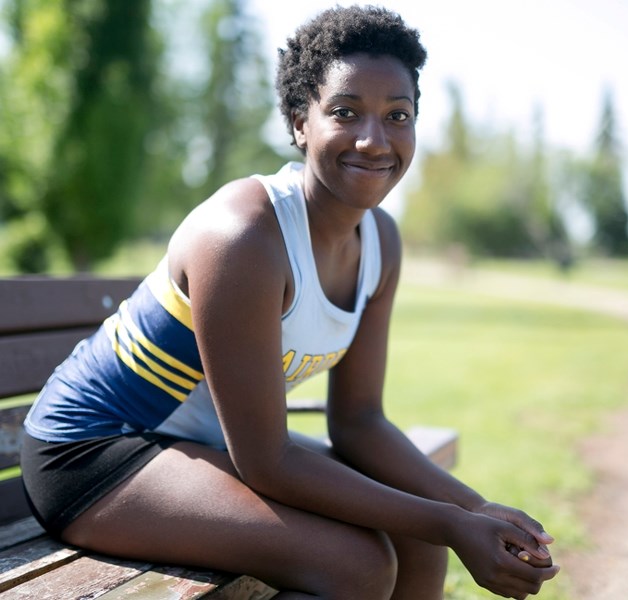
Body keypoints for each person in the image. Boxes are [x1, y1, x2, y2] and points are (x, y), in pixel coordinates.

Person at [21, 5, 560, 599]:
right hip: (94, 451)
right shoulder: (245, 236)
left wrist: (475, 510)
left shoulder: (380, 242)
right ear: (301, 121)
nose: (373, 139)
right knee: (355, 564)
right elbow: (268, 462)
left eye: (397, 115)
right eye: (345, 112)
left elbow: (359, 421)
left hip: (206, 445)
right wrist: (452, 520)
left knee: (418, 540)